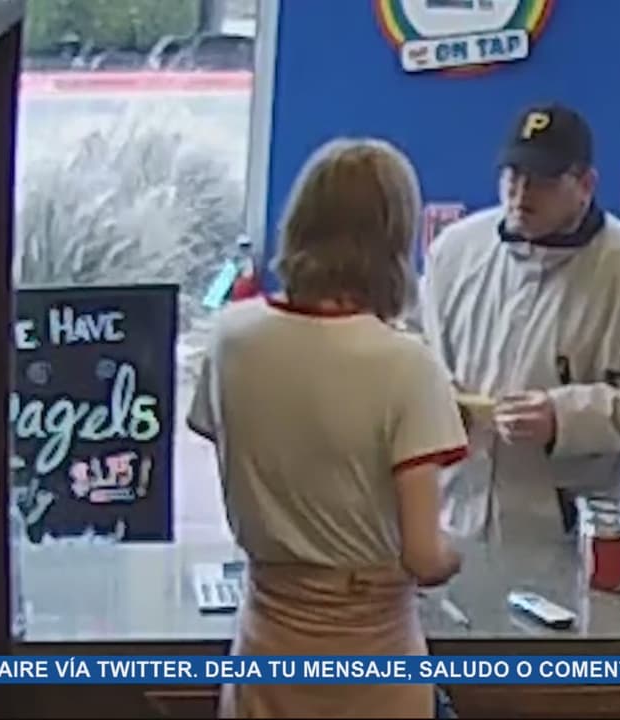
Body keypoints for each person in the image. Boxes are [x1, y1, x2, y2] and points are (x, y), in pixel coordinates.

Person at [187, 137, 467, 718]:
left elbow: (258, 453)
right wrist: (457, 553)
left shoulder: (232, 338)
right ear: (395, 242)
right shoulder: (406, 365)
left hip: (264, 656)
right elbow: (424, 558)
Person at [421, 103, 620, 542]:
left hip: (570, 529)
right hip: (457, 515)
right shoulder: (456, 251)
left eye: (543, 180)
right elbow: (416, 350)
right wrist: (438, 400)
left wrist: (566, 417)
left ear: (585, 185)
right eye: (513, 175)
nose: (521, 193)